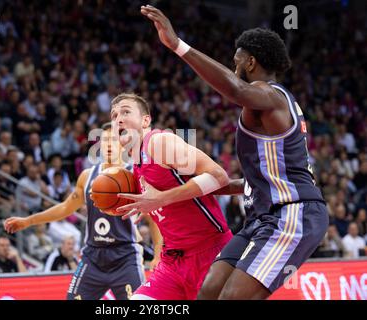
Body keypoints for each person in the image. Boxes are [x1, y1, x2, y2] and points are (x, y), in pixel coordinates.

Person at [139, 5, 329, 299]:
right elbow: (270, 175)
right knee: (209, 293)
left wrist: (177, 45)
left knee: (232, 298)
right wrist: (208, 187)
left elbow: (236, 89)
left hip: (291, 212)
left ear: (250, 62)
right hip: (260, 218)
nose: (234, 68)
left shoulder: (269, 96)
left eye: (236, 62)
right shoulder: (269, 106)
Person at [4, 123, 162, 300]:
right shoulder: (88, 176)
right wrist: (28, 221)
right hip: (93, 257)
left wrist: (158, 253)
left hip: (124, 257)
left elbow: (152, 216)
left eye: (114, 140)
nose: (109, 144)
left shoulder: (134, 176)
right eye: (105, 140)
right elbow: (65, 207)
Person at [112, 93, 232, 300]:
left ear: (145, 120)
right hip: (173, 262)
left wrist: (162, 198)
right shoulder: (135, 167)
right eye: (113, 116)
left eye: (125, 112)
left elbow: (219, 176)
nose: (118, 119)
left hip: (212, 253)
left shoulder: (158, 143)